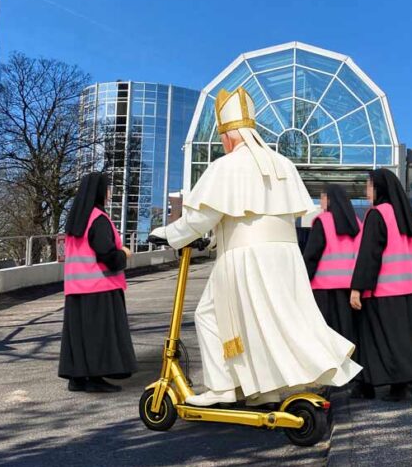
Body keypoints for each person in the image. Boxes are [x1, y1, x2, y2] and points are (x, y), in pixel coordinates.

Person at [149, 87, 360, 407]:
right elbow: (257, 215)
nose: (223, 143)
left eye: (223, 137)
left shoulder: (226, 166)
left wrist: (168, 233)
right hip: (285, 258)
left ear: (231, 135)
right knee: (266, 323)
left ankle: (222, 386)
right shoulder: (283, 165)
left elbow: (201, 216)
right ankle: (266, 390)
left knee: (209, 314)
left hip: (244, 258)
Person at [350, 169, 412, 401]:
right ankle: (399, 387)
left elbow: (369, 254)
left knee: (371, 339)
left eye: (369, 186)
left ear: (379, 189)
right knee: (401, 340)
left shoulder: (377, 215)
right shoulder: (404, 216)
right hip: (407, 290)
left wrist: (357, 288)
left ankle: (367, 385)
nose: (366, 191)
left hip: (382, 290)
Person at [59, 172, 137, 393]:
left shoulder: (76, 220)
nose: (109, 193)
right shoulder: (98, 218)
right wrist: (124, 254)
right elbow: (107, 254)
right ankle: (95, 377)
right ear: (99, 192)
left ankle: (77, 377)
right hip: (100, 286)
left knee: (79, 335)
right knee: (99, 334)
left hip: (75, 288)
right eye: (108, 189)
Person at [303, 184, 362, 344]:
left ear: (329, 200)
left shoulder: (323, 221)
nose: (321, 202)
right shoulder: (357, 223)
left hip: (323, 289)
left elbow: (312, 255)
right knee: (347, 334)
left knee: (325, 335)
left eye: (322, 198)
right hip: (349, 288)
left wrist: (302, 281)